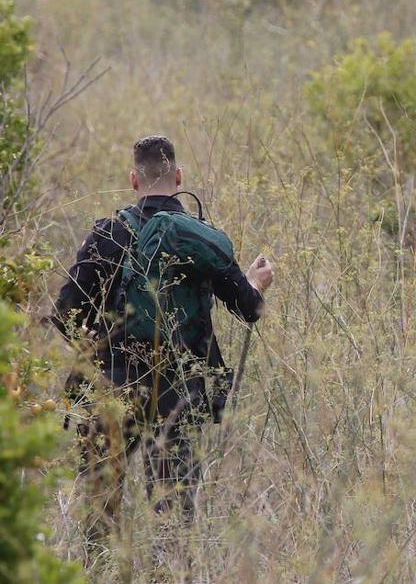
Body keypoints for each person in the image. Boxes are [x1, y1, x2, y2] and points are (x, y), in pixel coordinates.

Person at [51, 134, 274, 544]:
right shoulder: (199, 237)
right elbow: (249, 309)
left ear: (134, 180)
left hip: (110, 385)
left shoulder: (109, 232)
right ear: (180, 176)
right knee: (172, 514)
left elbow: (65, 313)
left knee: (99, 511)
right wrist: (256, 283)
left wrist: (92, 351)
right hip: (179, 390)